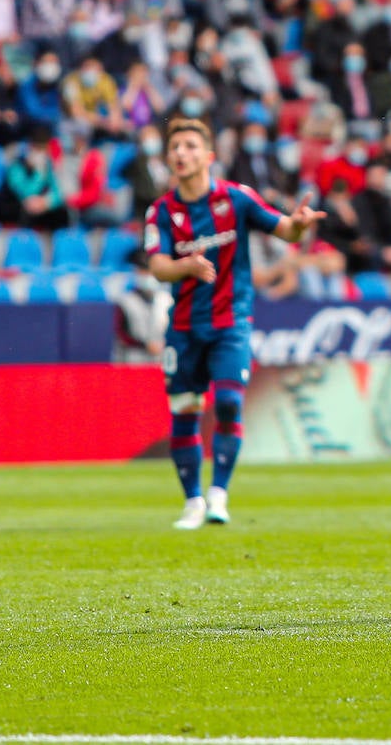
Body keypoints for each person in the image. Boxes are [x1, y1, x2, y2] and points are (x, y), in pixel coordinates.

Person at [145, 117, 324, 530]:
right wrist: (183, 266)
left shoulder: (236, 199)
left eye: (190, 146)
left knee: (227, 403)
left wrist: (297, 223)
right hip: (185, 327)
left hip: (230, 323)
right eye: (175, 147)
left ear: (207, 156)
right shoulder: (162, 211)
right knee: (186, 411)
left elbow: (284, 231)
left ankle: (218, 495)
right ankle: (192, 501)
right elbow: (156, 266)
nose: (181, 154)